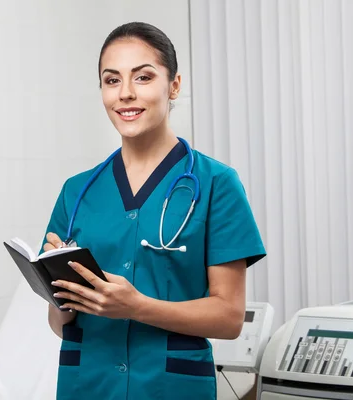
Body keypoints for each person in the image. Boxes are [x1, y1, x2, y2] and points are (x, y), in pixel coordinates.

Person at [41, 21, 266, 400]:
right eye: (111, 81)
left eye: (143, 77)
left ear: (174, 85)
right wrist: (61, 294)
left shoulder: (215, 184)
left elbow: (229, 319)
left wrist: (137, 307)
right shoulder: (77, 191)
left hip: (169, 388)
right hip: (88, 387)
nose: (125, 94)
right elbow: (59, 324)